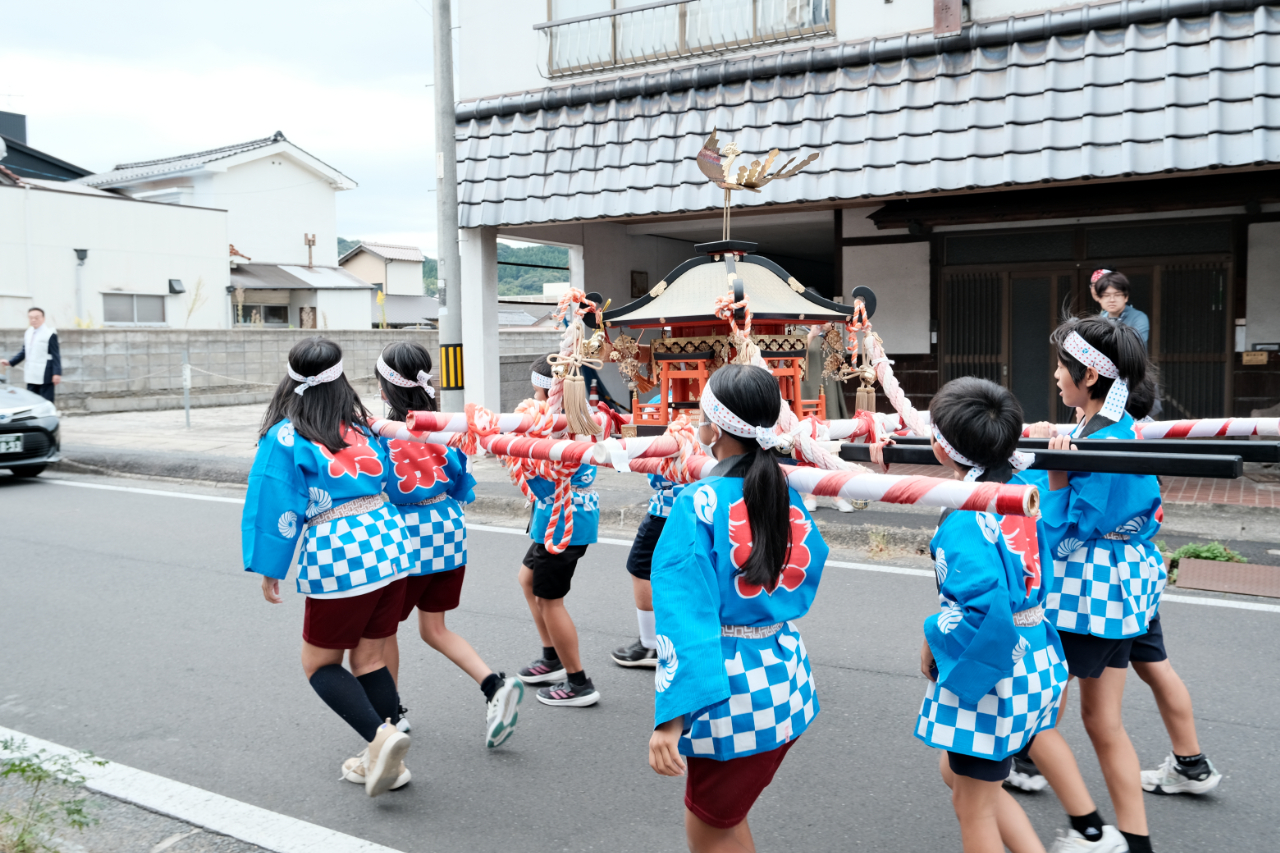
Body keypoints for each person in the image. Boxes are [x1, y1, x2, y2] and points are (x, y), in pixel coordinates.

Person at [648, 363, 828, 853]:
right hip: (785, 676)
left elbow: (684, 614)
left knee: (708, 829)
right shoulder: (783, 491)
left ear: (713, 427)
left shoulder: (700, 501)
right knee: (727, 819)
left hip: (728, 693)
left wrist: (670, 718)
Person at [242, 337, 414, 797]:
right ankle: (390, 760)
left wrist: (270, 566)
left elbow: (274, 501)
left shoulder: (286, 434)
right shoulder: (361, 426)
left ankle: (383, 738)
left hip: (341, 553)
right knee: (371, 657)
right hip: (393, 541)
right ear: (341, 378)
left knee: (319, 663)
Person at [1022, 316, 1166, 853]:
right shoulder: (1112, 429)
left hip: (1086, 598)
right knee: (1104, 722)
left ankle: (1091, 831)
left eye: (1063, 366)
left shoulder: (1096, 442)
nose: (1056, 375)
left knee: (1038, 720)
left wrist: (1056, 472)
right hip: (1123, 597)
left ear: (1089, 375)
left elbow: (1060, 536)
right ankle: (1135, 839)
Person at [913, 377, 1068, 853]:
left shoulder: (965, 516)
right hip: (1036, 655)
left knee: (973, 807)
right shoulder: (1026, 486)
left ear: (943, 449)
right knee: (964, 780)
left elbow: (979, 608)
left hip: (996, 670)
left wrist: (932, 636)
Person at [364, 341, 524, 760]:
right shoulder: (446, 427)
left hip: (407, 538)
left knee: (382, 633)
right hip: (449, 530)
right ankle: (494, 685)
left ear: (384, 390)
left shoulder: (381, 433)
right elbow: (459, 481)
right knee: (435, 628)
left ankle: (390, 714)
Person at [515, 354, 602, 707]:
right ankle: (551, 657)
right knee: (527, 579)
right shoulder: (575, 418)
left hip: (563, 521)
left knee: (550, 600)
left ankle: (578, 681)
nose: (534, 398)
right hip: (558, 517)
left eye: (537, 391)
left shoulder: (557, 425)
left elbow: (535, 468)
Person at [610, 472, 684, 668]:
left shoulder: (675, 440)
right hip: (702, 509)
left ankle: (651, 644)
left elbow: (661, 476)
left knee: (641, 568)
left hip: (668, 509)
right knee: (685, 576)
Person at [800, 323, 856, 513]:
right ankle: (810, 494)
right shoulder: (795, 331)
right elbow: (794, 356)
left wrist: (831, 332)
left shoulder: (829, 334)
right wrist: (812, 335)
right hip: (807, 390)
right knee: (810, 442)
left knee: (832, 443)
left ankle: (836, 495)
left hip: (829, 391)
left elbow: (842, 358)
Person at [1, 308, 61, 403]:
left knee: (46, 401)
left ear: (43, 318)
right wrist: (10, 362)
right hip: (31, 372)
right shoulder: (28, 333)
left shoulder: (50, 334)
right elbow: (24, 351)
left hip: (45, 373)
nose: (33, 320)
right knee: (31, 400)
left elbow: (56, 354)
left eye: (37, 317)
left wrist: (57, 373)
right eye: (31, 318)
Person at [1090, 270, 1149, 346]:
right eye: (1106, 295)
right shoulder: (1100, 319)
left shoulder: (1139, 318)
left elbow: (1134, 346)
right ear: (1099, 298)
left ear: (1126, 297)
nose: (1112, 300)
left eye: (1117, 295)